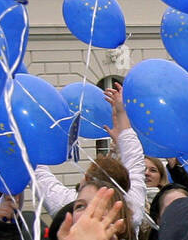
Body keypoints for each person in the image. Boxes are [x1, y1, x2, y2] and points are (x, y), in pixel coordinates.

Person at [35, 82, 149, 228]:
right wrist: (122, 120)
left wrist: (27, 143)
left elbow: (41, 179)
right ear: (126, 185)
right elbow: (135, 161)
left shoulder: (71, 206)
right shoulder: (130, 210)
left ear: (88, 179)